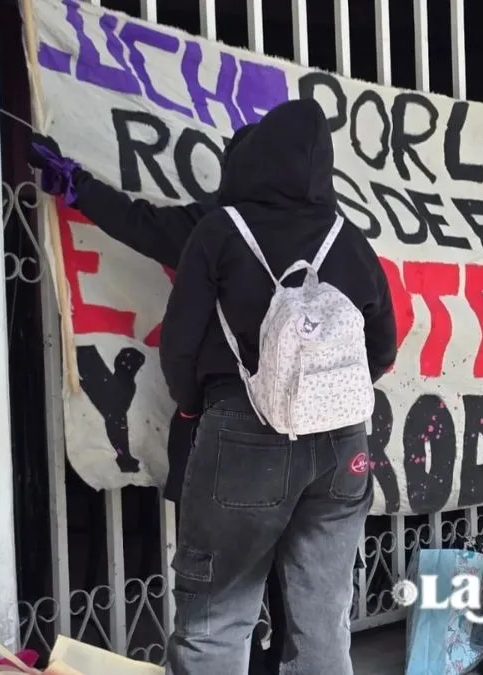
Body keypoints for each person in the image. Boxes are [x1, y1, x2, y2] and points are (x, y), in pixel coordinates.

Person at [28, 125, 295, 675]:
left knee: (220, 576)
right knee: (294, 565)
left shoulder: (215, 226)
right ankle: (276, 658)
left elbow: (142, 226)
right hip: (309, 432)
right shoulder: (323, 230)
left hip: (228, 426)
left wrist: (78, 186)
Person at [159, 99, 398, 674]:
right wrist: (324, 395)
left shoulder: (221, 230)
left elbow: (180, 345)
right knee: (322, 617)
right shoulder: (347, 237)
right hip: (343, 443)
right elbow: (383, 345)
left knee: (218, 619)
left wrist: (192, 406)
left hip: (244, 435)